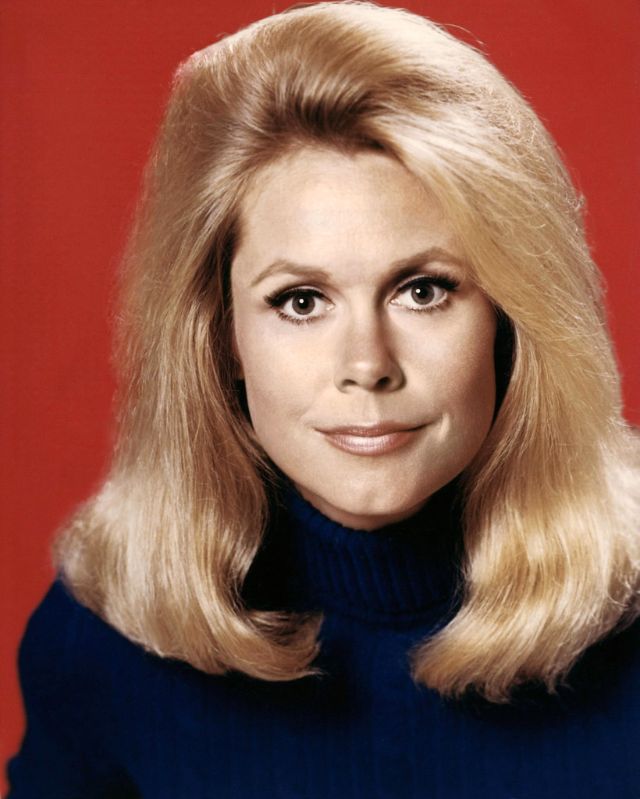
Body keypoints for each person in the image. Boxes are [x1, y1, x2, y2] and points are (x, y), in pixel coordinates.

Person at [7, 2, 640, 797]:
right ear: (222, 336)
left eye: (423, 289)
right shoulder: (101, 642)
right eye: (301, 301)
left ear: (511, 321)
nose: (366, 366)